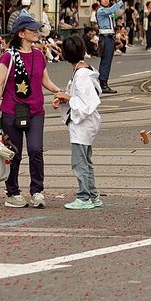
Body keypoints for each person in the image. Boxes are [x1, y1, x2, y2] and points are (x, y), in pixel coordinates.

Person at [0, 15, 66, 208]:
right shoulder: (8, 56)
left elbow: (45, 81)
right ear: (21, 34)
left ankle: (37, 191)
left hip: (35, 110)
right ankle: (12, 192)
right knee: (14, 153)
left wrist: (60, 92)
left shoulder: (39, 56)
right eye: (32, 30)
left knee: (35, 150)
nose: (36, 33)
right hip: (11, 111)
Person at [53, 35, 103, 209]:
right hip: (87, 125)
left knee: (79, 162)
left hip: (83, 125)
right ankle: (93, 195)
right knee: (86, 161)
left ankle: (84, 197)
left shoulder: (81, 75)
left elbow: (85, 104)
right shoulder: (85, 70)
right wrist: (65, 98)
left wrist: (67, 97)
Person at [95, 0, 127, 94]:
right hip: (105, 38)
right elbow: (111, 10)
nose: (106, 1)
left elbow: (115, 13)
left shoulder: (107, 11)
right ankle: (103, 84)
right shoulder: (101, 10)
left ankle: (103, 83)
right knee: (106, 62)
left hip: (109, 38)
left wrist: (123, 5)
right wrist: (121, 2)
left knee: (107, 62)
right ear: (99, 0)